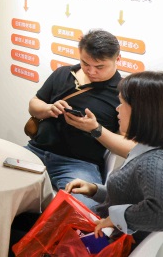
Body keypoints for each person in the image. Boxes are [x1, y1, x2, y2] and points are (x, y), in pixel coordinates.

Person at [65, 71, 163, 242]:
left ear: (143, 112)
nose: (117, 109)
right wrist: (94, 190)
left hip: (102, 243)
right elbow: (130, 197)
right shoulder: (156, 152)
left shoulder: (153, 162)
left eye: (122, 103)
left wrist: (114, 219)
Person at [26, 29, 135, 209]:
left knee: (82, 211)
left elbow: (130, 148)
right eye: (85, 63)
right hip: (36, 151)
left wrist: (95, 129)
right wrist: (48, 109)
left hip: (79, 164)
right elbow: (34, 104)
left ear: (118, 59)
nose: (91, 71)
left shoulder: (124, 92)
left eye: (100, 67)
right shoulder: (63, 73)